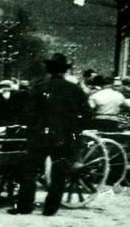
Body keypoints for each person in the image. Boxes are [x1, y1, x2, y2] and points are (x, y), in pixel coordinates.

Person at [12, 53, 91, 216]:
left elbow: (28, 114)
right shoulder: (75, 89)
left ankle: (24, 206)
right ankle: (50, 208)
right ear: (64, 71)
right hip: (65, 137)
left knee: (30, 171)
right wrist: (76, 129)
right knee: (59, 173)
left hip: (40, 136)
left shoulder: (39, 87)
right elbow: (88, 114)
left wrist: (34, 127)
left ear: (49, 69)